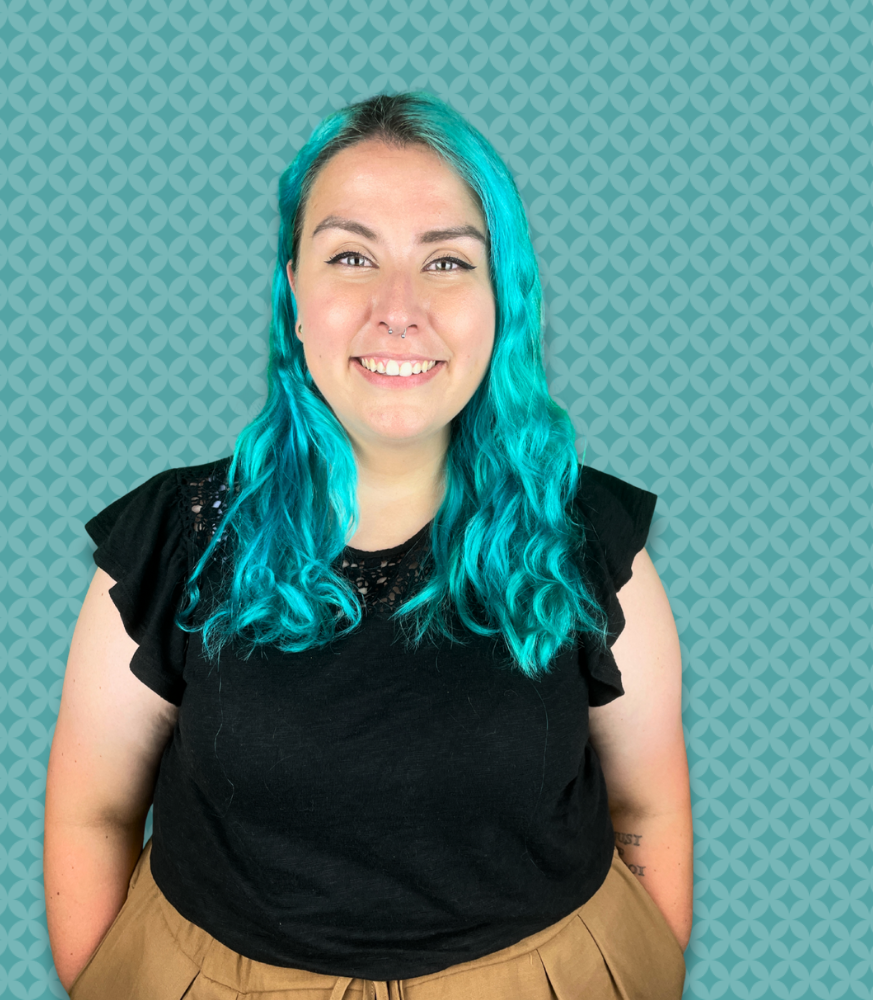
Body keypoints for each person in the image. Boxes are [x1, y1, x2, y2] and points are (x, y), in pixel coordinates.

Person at [44, 92, 692, 1000]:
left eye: (447, 261)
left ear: (502, 299)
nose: (400, 308)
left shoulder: (587, 537)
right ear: (292, 294)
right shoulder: (174, 537)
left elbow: (648, 808)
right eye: (351, 255)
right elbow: (93, 811)